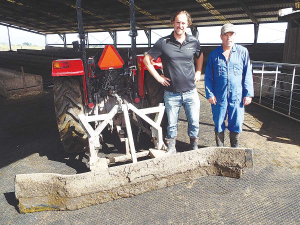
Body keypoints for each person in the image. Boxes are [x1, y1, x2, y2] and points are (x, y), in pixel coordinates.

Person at [143, 10, 203, 154]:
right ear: (173, 23)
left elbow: (199, 56)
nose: (180, 25)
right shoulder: (163, 43)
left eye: (183, 23)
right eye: (177, 22)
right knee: (171, 124)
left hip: (190, 91)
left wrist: (198, 71)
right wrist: (158, 77)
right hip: (171, 93)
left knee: (194, 121)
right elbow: (146, 60)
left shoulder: (194, 41)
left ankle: (194, 146)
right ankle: (171, 148)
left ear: (188, 24)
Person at [205, 23, 254, 147]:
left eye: (231, 35)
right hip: (219, 96)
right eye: (226, 35)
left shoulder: (243, 52)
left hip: (237, 95)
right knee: (218, 121)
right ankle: (220, 149)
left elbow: (247, 73)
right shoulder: (214, 55)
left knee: (236, 122)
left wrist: (248, 94)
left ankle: (234, 149)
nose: (229, 38)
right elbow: (208, 77)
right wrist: (209, 94)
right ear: (221, 36)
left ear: (235, 36)